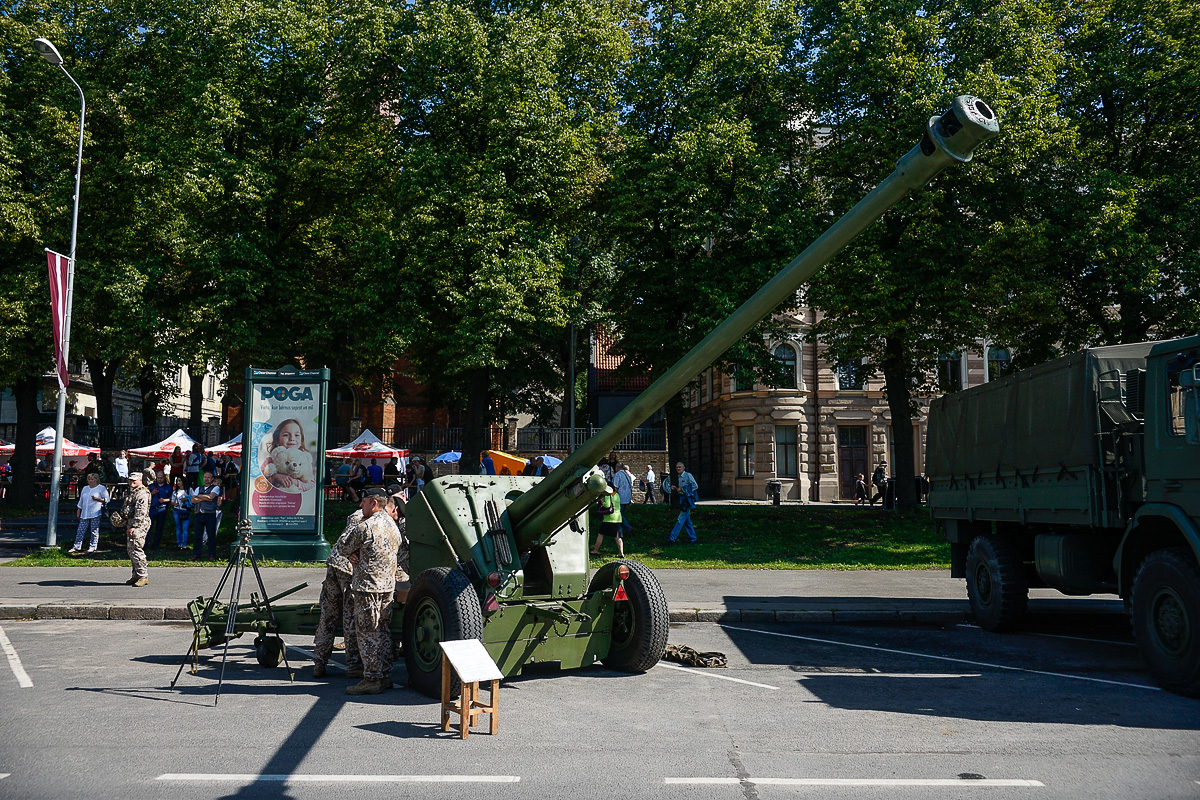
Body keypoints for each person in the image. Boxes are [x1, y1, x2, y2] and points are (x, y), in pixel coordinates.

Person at [341, 488, 404, 695]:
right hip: (387, 587)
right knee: (383, 631)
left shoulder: (365, 526)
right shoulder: (393, 525)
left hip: (367, 587)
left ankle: (371, 679)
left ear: (374, 503)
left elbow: (342, 547)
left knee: (367, 633)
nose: (361, 505)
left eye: (364, 502)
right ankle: (384, 675)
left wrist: (354, 553)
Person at [312, 505, 366, 680]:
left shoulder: (355, 515)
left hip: (334, 561)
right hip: (348, 568)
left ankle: (319, 662)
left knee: (328, 615)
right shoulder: (369, 518)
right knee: (350, 617)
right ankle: (353, 665)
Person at [260, 419, 315, 492]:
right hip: (276, 499)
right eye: (286, 435)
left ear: (301, 440)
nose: (292, 438)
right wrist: (274, 477)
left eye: (296, 435)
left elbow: (311, 485)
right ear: (277, 441)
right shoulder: (271, 460)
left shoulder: (304, 460)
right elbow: (260, 479)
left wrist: (296, 482)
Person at [122, 471, 152, 586]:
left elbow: (141, 512)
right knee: (131, 550)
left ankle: (143, 575)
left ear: (140, 480)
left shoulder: (142, 493)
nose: (131, 482)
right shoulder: (134, 492)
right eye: (130, 480)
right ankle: (136, 575)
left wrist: (134, 527)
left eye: (134, 480)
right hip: (132, 523)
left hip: (139, 525)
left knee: (136, 549)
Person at [69, 472, 110, 554]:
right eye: (89, 479)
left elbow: (107, 500)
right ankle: (76, 546)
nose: (90, 481)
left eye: (92, 479)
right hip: (85, 513)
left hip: (95, 512)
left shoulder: (101, 488)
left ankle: (92, 546)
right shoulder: (85, 488)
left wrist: (98, 499)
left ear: (96, 480)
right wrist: (78, 510)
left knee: (94, 530)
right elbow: (81, 500)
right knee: (80, 530)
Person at [662, 462, 699, 544]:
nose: (678, 469)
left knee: (680, 519)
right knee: (687, 521)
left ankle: (672, 538)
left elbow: (695, 486)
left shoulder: (688, 475)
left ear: (683, 468)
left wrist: (682, 489)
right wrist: (676, 488)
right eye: (677, 467)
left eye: (680, 467)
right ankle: (693, 538)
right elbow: (680, 489)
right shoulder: (679, 477)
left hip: (688, 500)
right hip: (682, 498)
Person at [590, 481, 625, 558]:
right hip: (618, 518)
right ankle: (621, 553)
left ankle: (595, 550)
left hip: (608, 519)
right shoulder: (616, 494)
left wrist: (601, 500)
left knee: (600, 534)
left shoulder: (607, 495)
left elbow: (607, 505)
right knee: (618, 536)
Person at [192, 471, 222, 561]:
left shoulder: (215, 488)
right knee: (197, 535)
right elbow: (193, 500)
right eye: (205, 477)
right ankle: (196, 554)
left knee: (211, 535)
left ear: (212, 478)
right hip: (199, 513)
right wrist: (205, 497)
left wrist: (200, 496)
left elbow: (211, 498)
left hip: (210, 514)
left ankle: (211, 554)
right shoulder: (198, 488)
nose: (206, 479)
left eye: (208, 477)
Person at [146, 471, 172, 550]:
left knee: (159, 528)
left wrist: (164, 500)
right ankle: (145, 544)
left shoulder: (168, 487)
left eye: (161, 478)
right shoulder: (151, 486)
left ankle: (156, 545)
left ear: (164, 478)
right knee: (148, 527)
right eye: (158, 478)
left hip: (162, 509)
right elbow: (144, 496)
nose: (159, 479)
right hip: (152, 509)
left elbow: (172, 498)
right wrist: (152, 494)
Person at [612, 462, 634, 537]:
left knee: (619, 515)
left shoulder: (617, 475)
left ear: (617, 468)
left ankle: (626, 529)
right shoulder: (628, 475)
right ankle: (622, 531)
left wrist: (611, 496)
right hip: (627, 498)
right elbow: (631, 487)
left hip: (619, 498)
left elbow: (615, 487)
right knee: (621, 514)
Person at [171, 476, 193, 549]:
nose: (178, 482)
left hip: (185, 510)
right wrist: (175, 504)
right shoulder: (175, 491)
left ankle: (184, 544)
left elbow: (193, 498)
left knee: (185, 528)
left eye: (180, 481)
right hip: (177, 510)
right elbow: (172, 502)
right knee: (178, 528)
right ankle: (179, 544)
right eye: (177, 481)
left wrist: (186, 499)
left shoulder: (189, 490)